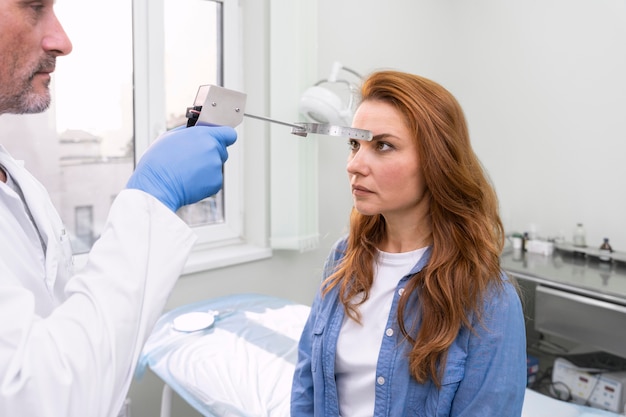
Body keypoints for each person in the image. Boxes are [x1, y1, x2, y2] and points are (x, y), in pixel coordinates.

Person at [0, 1, 236, 416]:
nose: (63, 41)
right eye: (34, 6)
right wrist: (152, 197)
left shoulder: (16, 177)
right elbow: (42, 396)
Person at [291, 70, 527, 416]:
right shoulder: (344, 256)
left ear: (437, 161)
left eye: (382, 146)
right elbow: (307, 380)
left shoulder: (488, 299)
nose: (354, 165)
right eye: (354, 144)